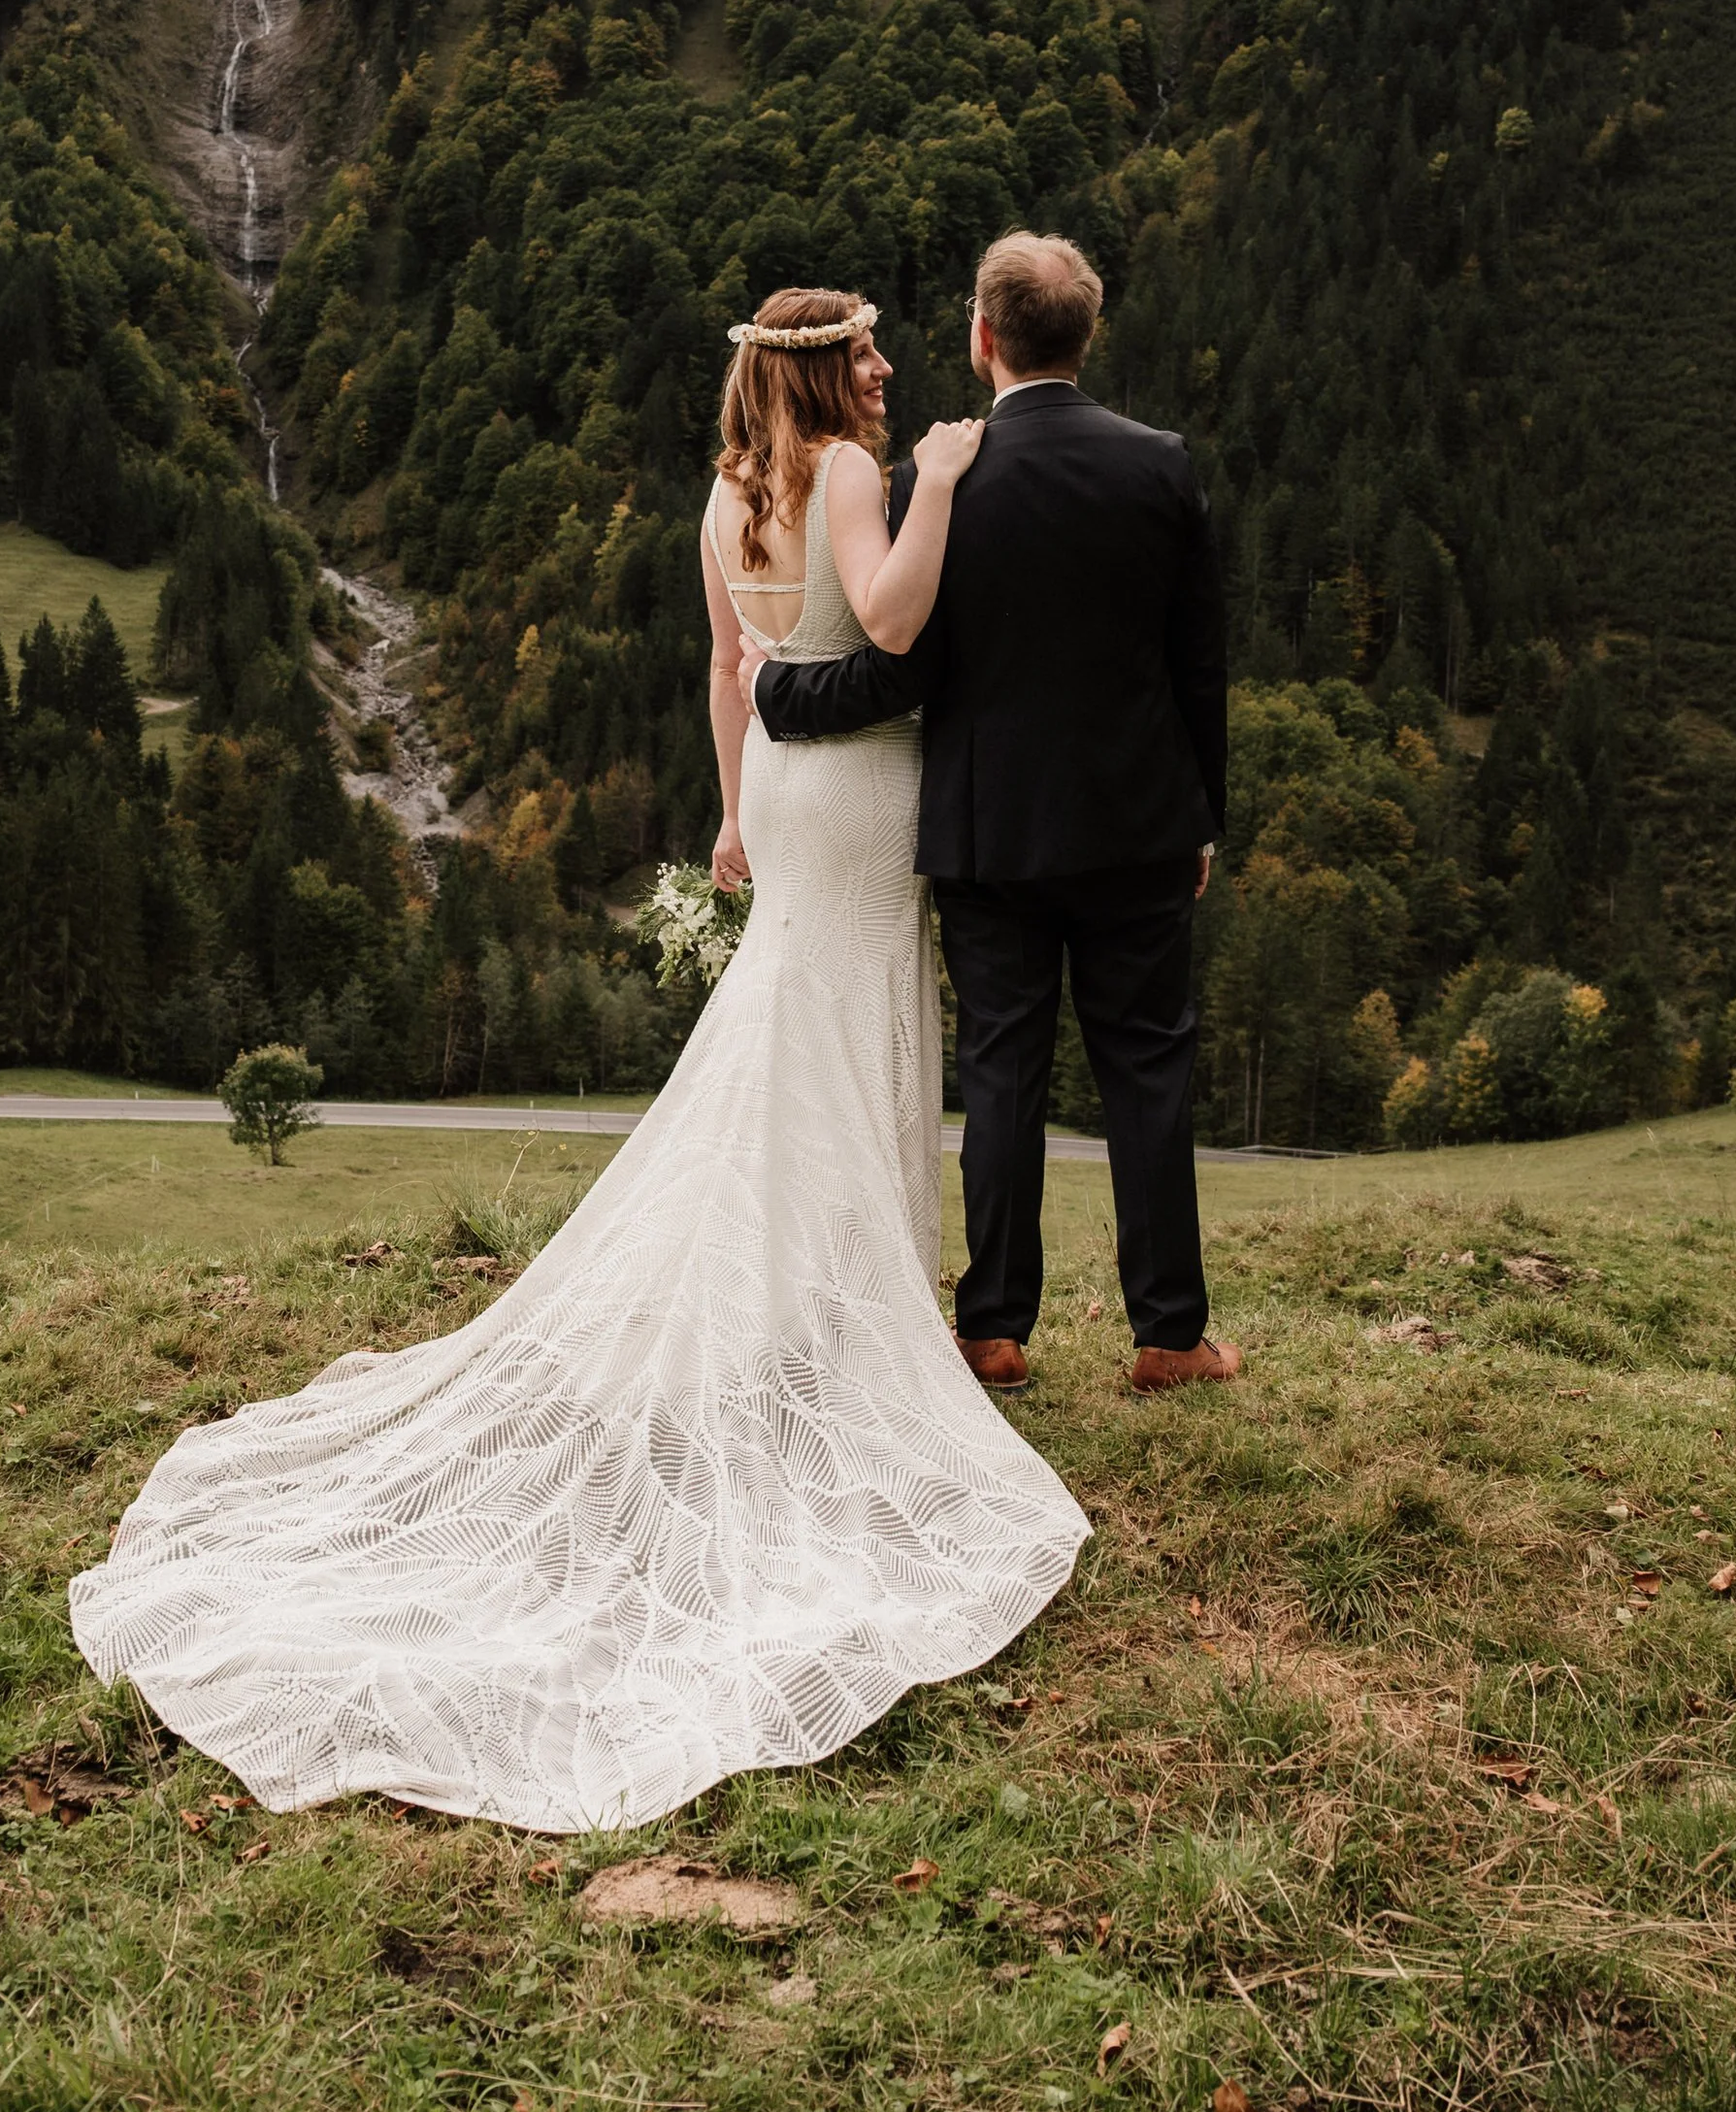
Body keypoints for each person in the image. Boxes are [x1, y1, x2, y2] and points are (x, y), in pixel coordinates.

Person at [68, 285, 1088, 1833]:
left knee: (790, 1044)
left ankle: (800, 1311)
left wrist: (732, 811)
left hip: (796, 805)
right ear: (819, 374)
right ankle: (840, 1318)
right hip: (872, 799)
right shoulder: (859, 473)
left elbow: (727, 675)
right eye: (868, 354)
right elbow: (884, 621)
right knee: (855, 1040)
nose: (890, 372)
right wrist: (945, 480)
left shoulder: (726, 496)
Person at [740, 230, 1237, 1396]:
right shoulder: (1160, 465)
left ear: (980, 338)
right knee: (1147, 1074)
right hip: (1136, 827)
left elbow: (902, 669)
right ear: (1086, 336)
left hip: (987, 829)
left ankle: (993, 1327)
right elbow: (1197, 665)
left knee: (1003, 1072)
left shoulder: (931, 487)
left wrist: (775, 691)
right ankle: (1168, 1334)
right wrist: (1200, 818)